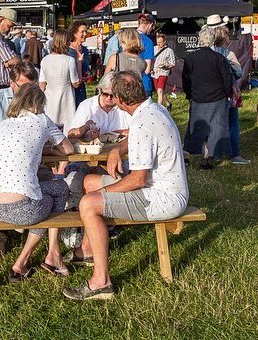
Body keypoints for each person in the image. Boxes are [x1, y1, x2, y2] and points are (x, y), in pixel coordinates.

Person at [62, 72, 189, 301]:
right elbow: (133, 139)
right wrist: (116, 150)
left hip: (162, 197)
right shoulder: (155, 110)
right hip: (161, 189)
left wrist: (103, 193)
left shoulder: (142, 122)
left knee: (89, 203)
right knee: (89, 182)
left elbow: (138, 180)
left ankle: (101, 282)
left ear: (120, 99)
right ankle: (88, 250)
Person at [0, 83, 75, 281]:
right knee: (59, 189)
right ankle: (48, 255)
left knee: (44, 200)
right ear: (40, 104)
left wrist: (0, 149)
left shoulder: (3, 125)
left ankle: (38, 259)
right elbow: (68, 149)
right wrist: (44, 149)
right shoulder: (42, 121)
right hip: (24, 209)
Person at [182, 25, 232, 170]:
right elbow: (226, 79)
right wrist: (227, 94)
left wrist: (189, 95)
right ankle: (207, 158)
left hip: (198, 98)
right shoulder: (219, 58)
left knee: (198, 128)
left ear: (199, 39)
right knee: (215, 129)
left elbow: (186, 79)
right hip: (217, 98)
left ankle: (191, 154)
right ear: (212, 40)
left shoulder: (190, 58)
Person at [211, 26, 249, 164]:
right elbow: (238, 73)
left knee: (215, 123)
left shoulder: (209, 53)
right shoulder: (229, 54)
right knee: (233, 123)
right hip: (228, 91)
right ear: (225, 38)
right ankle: (235, 154)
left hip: (213, 92)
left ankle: (215, 153)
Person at [0, 60, 39, 131]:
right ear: (11, 83)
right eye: (23, 87)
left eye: (32, 87)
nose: (28, 91)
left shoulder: (38, 99)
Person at [67, 72, 130, 141]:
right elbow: (71, 135)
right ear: (100, 90)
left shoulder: (125, 106)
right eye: (105, 94)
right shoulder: (87, 105)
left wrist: (112, 133)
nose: (109, 97)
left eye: (113, 95)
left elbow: (136, 130)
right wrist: (85, 128)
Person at [39, 30, 80, 134]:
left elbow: (42, 84)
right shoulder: (69, 60)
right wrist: (79, 62)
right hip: (66, 98)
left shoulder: (45, 60)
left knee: (51, 126)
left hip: (49, 98)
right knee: (67, 125)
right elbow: (76, 83)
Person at [104, 14, 156, 94]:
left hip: (122, 84)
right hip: (142, 85)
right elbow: (147, 70)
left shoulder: (127, 37)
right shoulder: (148, 41)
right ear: (150, 25)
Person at [68, 21, 90, 108]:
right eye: (82, 32)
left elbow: (86, 66)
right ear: (74, 33)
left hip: (81, 88)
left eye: (86, 31)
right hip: (70, 88)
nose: (85, 34)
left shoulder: (84, 50)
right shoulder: (67, 50)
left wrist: (88, 73)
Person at [152, 33, 176, 109]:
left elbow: (173, 63)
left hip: (163, 72)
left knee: (159, 91)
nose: (158, 44)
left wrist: (165, 66)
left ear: (164, 41)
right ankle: (168, 103)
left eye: (160, 42)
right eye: (157, 42)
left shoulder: (169, 51)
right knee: (160, 91)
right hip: (154, 72)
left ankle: (159, 109)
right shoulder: (154, 48)